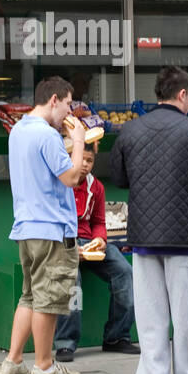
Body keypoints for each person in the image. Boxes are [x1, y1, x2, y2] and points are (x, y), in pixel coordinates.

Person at [110, 66, 188, 374]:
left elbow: (118, 177)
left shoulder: (129, 131)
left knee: (150, 318)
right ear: (183, 94)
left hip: (144, 238)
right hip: (187, 239)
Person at [0, 77, 86, 374]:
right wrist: (78, 142)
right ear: (53, 99)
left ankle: (13, 360)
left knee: (30, 296)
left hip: (25, 226)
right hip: (52, 229)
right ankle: (45, 366)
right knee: (47, 300)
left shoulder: (19, 130)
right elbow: (72, 178)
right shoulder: (47, 136)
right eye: (67, 104)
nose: (69, 112)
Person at [53, 142, 138, 362]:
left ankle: (116, 337)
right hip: (64, 242)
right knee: (73, 284)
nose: (84, 165)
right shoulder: (59, 182)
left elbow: (99, 220)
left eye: (89, 161)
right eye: (81, 159)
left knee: (125, 272)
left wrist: (100, 239)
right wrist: (72, 248)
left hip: (90, 242)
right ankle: (65, 343)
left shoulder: (96, 187)